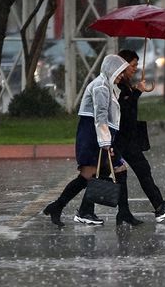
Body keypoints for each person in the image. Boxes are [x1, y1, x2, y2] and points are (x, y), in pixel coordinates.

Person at [43, 54, 131, 227]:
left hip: (98, 136)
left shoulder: (107, 86)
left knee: (97, 174)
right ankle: (69, 208)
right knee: (89, 175)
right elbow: (100, 117)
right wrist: (106, 143)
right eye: (120, 71)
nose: (122, 75)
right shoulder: (101, 87)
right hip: (93, 137)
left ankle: (74, 209)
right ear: (111, 70)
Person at [114, 49, 165, 223]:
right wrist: (136, 92)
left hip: (127, 138)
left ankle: (134, 211)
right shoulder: (117, 85)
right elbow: (123, 109)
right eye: (133, 65)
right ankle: (80, 209)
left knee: (135, 172)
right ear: (123, 64)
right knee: (95, 175)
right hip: (121, 138)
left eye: (137, 65)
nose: (136, 68)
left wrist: (136, 90)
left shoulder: (125, 84)